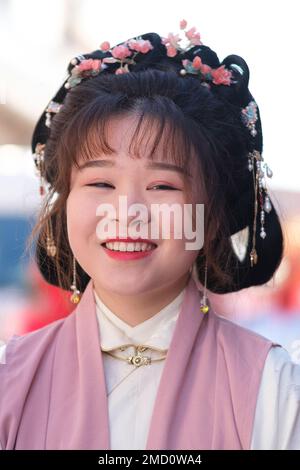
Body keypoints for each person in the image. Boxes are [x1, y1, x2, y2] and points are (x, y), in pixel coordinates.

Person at [0, 19, 299, 450]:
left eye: (163, 186)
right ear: (65, 203)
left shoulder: (274, 390)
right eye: (101, 184)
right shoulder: (11, 380)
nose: (128, 213)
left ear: (211, 215)